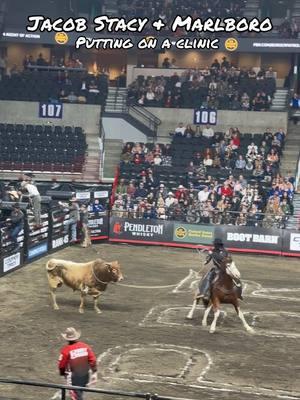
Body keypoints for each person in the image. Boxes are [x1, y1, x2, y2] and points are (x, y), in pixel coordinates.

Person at [58, 327, 97, 400]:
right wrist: (94, 372)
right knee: (79, 392)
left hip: (74, 379)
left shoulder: (66, 350)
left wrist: (63, 374)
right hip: (85, 376)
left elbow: (61, 366)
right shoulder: (85, 346)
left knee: (76, 396)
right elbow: (93, 360)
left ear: (66, 338)